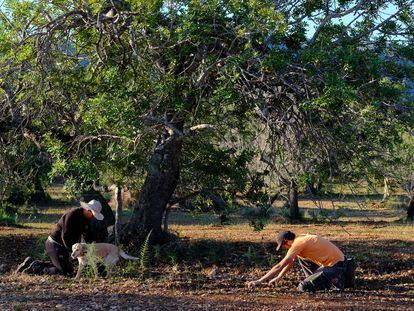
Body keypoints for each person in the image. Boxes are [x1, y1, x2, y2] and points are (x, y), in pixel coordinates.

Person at [15, 200, 104, 276]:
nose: (93, 216)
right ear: (88, 210)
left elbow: (87, 235)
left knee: (69, 270)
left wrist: (91, 249)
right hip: (55, 244)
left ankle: (34, 263)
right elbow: (65, 236)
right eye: (92, 214)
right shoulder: (71, 215)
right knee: (63, 272)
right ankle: (36, 268)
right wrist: (73, 252)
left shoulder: (86, 219)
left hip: (66, 247)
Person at [247, 230, 346, 292]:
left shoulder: (298, 243)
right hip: (336, 263)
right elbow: (291, 261)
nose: (285, 248)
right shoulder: (301, 238)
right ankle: (319, 281)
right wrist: (279, 277)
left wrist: (259, 281)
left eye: (283, 245)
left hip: (336, 266)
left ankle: (329, 280)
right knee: (301, 257)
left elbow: (279, 265)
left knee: (303, 287)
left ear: (286, 241)